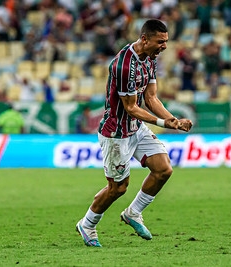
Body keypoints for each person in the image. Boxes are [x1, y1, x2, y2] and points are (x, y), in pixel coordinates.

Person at [75, 19, 193, 247]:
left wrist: (173, 120)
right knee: (118, 188)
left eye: (166, 41)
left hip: (136, 128)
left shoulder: (149, 59)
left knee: (163, 170)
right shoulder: (124, 65)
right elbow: (131, 107)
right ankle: (87, 224)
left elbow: (150, 98)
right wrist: (164, 123)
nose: (164, 46)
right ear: (145, 39)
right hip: (116, 134)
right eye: (161, 41)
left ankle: (133, 213)